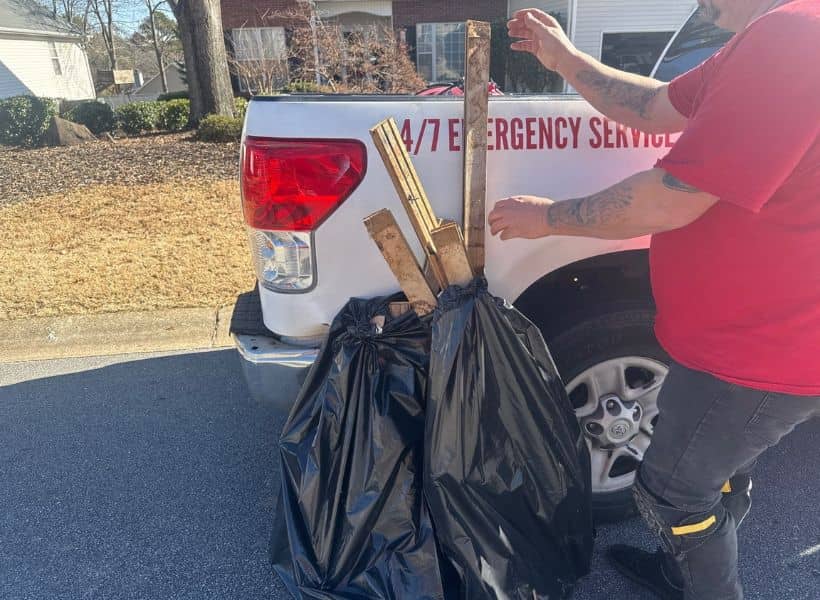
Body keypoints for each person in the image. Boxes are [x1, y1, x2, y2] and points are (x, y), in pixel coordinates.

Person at [488, 2, 820, 599]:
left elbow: (673, 196)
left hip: (760, 349)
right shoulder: (768, 39)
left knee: (672, 494)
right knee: (716, 472)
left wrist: (549, 218)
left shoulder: (795, 36)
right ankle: (683, 573)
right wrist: (565, 58)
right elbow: (652, 105)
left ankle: (704, 587)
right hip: (743, 338)